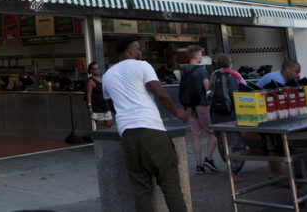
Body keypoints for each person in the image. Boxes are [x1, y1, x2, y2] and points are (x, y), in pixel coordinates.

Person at [102, 36, 190, 212]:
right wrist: (177, 112)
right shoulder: (142, 66)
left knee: (141, 189)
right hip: (152, 132)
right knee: (170, 185)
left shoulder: (107, 75)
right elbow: (159, 92)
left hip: (128, 136)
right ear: (130, 51)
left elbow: (112, 104)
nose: (141, 52)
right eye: (138, 48)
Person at [257, 60, 302, 180]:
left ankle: (274, 173)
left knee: (273, 142)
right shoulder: (275, 80)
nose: (298, 75)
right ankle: (278, 173)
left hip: (271, 115)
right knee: (272, 142)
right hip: (262, 117)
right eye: (296, 72)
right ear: (288, 70)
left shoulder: (284, 80)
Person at [179, 45, 219, 175]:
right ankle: (208, 158)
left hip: (190, 108)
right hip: (202, 106)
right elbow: (208, 90)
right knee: (214, 133)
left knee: (196, 135)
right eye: (201, 54)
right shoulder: (201, 70)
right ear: (196, 56)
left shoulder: (184, 70)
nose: (202, 57)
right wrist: (212, 82)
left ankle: (199, 165)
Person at [209, 54, 246, 182]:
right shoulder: (235, 75)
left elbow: (209, 90)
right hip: (231, 113)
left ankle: (229, 167)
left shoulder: (214, 75)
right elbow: (244, 89)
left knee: (222, 142)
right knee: (235, 142)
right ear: (229, 63)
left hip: (216, 114)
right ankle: (234, 172)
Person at [85, 62, 113, 130]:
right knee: (99, 124)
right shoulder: (91, 81)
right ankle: (100, 137)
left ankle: (103, 135)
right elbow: (89, 94)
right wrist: (90, 107)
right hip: (96, 106)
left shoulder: (102, 78)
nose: (97, 70)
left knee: (109, 122)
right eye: (95, 69)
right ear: (91, 70)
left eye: (98, 69)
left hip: (104, 104)